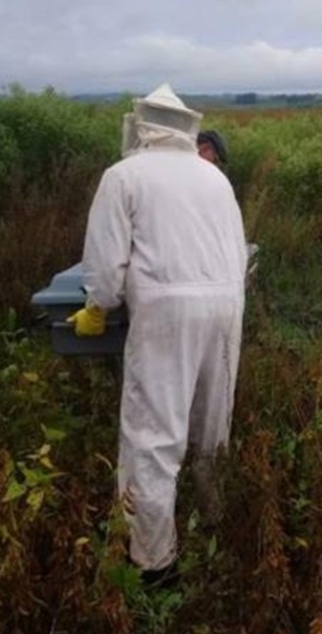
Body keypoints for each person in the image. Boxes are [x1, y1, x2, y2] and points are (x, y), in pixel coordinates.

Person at [67, 83, 248, 585]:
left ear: (141, 126)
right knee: (212, 423)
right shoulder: (214, 179)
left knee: (153, 438)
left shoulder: (123, 175)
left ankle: (154, 563)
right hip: (227, 306)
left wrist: (98, 308)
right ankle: (215, 519)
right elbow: (237, 251)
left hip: (166, 312)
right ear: (186, 128)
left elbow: (104, 265)